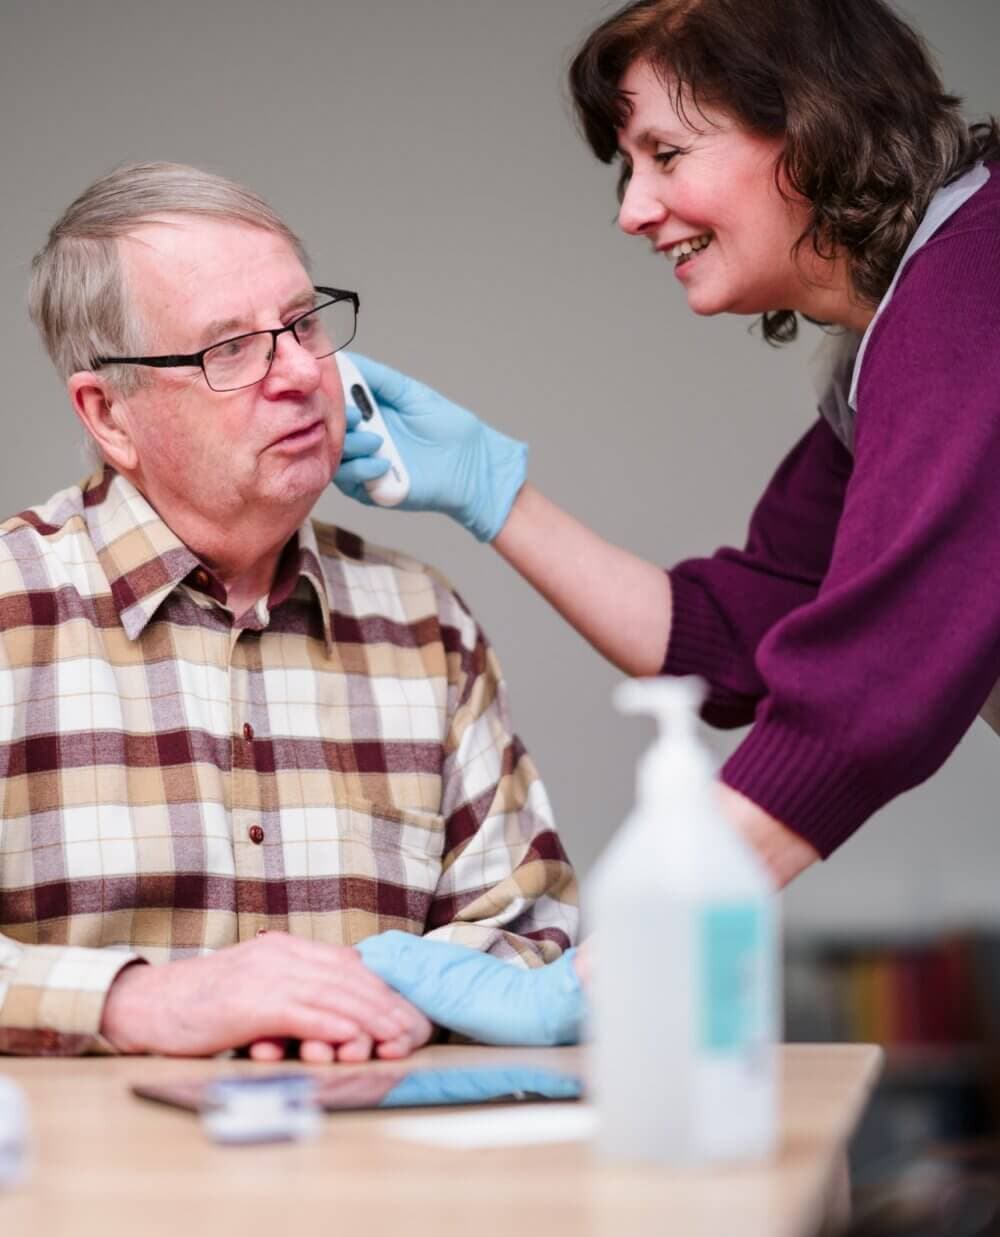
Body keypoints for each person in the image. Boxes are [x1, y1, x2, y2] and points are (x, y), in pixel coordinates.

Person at [333, 0, 1000, 1043]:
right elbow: (740, 638)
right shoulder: (895, 344)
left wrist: (608, 973)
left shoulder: (973, 295)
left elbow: (877, 684)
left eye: (666, 153)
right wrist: (492, 493)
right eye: (624, 166)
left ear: (814, 128)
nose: (633, 209)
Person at [0, 161, 578, 1061]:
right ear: (108, 414)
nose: (302, 372)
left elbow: (531, 926)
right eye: (229, 348)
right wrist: (138, 1002)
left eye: (303, 323)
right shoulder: (10, 612)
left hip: (369, 1181)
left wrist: (381, 1005)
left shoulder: (425, 623)